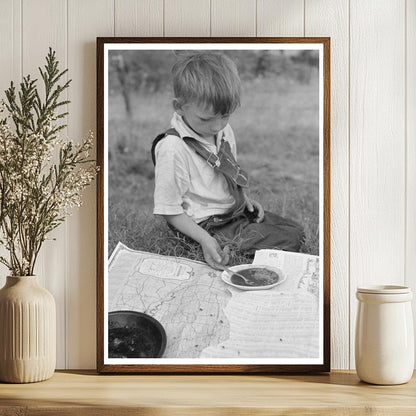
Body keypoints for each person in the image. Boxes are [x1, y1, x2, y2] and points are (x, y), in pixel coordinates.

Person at [152, 52, 304, 270]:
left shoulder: (223, 132)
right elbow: (170, 210)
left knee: (294, 231)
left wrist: (243, 200)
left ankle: (240, 236)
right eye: (206, 118)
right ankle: (217, 246)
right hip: (203, 224)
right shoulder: (173, 148)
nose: (216, 126)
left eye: (225, 116)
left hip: (231, 214)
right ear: (179, 107)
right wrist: (205, 239)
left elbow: (228, 171)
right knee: (285, 241)